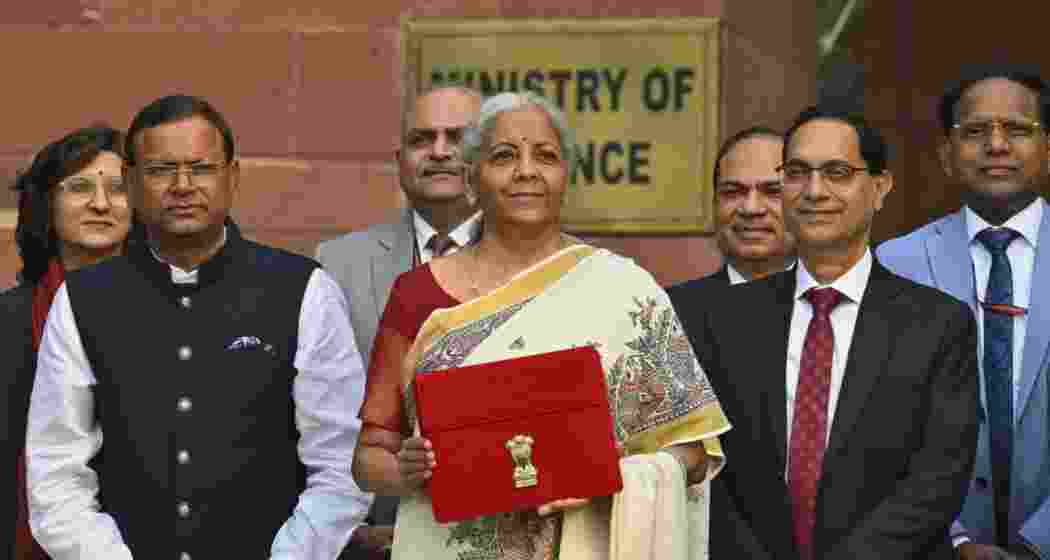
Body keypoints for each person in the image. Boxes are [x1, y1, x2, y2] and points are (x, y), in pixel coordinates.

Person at [352, 92, 730, 560]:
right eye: (504, 156)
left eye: (546, 156)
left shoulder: (625, 289)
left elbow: (694, 453)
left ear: (566, 176)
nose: (526, 171)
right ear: (472, 178)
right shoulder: (417, 295)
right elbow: (369, 457)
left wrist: (611, 475)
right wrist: (405, 472)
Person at [24, 95, 371, 559]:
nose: (183, 186)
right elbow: (56, 468)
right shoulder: (83, 300)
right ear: (131, 180)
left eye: (201, 168)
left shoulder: (303, 290)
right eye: (161, 170)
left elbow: (343, 463)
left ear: (233, 176)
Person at [681, 106, 979, 559]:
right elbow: (709, 472)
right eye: (797, 173)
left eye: (837, 172)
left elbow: (937, 480)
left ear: (880, 188)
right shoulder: (723, 319)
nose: (814, 191)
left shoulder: (938, 325)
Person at [878, 65, 1050, 560]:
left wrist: (1037, 545)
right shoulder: (896, 263)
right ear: (946, 155)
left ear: (1047, 147)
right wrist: (954, 542)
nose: (996, 145)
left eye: (1017, 129)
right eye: (974, 132)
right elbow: (880, 423)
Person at [317, 85, 482, 557]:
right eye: (421, 139)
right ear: (399, 160)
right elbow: (317, 418)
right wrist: (346, 530)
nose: (440, 151)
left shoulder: (539, 262)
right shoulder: (338, 264)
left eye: (458, 137)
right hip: (375, 537)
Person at [2, 125, 131, 559]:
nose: (101, 203)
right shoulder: (7, 320)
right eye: (79, 187)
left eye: (119, 189)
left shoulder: (176, 314)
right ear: (46, 204)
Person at [667, 125, 794, 557]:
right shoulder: (671, 313)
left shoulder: (838, 308)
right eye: (733, 192)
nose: (751, 208)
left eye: (772, 191)